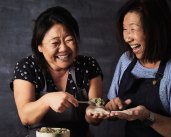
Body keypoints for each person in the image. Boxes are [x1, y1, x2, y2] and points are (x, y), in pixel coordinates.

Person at [105, 0, 171, 137]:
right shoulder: (126, 60)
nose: (127, 38)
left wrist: (147, 116)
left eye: (133, 29)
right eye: (125, 29)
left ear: (154, 30)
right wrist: (111, 108)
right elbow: (110, 108)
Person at [10, 6, 103, 137]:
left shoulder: (88, 65)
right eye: (55, 43)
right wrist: (46, 100)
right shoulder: (27, 67)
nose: (64, 48)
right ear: (40, 46)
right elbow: (25, 117)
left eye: (69, 40)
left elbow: (94, 118)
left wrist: (95, 113)